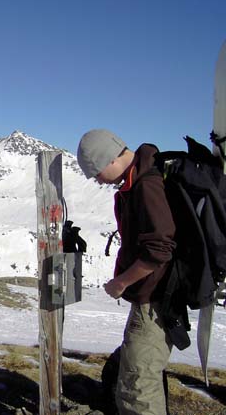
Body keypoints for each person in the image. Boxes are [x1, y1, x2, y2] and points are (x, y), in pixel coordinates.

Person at [77, 129, 176, 415]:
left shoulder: (147, 184)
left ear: (109, 160)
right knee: (133, 371)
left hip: (154, 297)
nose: (96, 180)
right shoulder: (139, 179)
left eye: (95, 172)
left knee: (138, 386)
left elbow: (159, 249)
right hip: (152, 294)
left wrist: (122, 282)